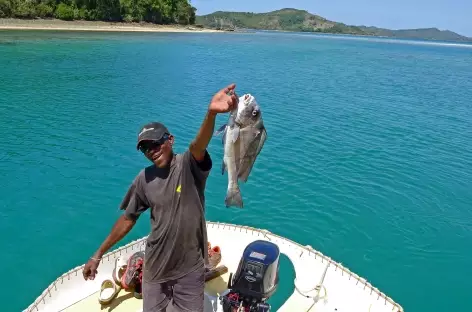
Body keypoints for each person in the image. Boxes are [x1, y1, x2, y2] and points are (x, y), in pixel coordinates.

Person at [82, 83, 239, 311]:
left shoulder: (187, 166)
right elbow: (128, 218)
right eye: (145, 148)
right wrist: (97, 255)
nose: (152, 150)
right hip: (155, 269)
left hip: (189, 269)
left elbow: (198, 145)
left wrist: (211, 113)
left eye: (156, 143)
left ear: (170, 140)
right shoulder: (144, 178)